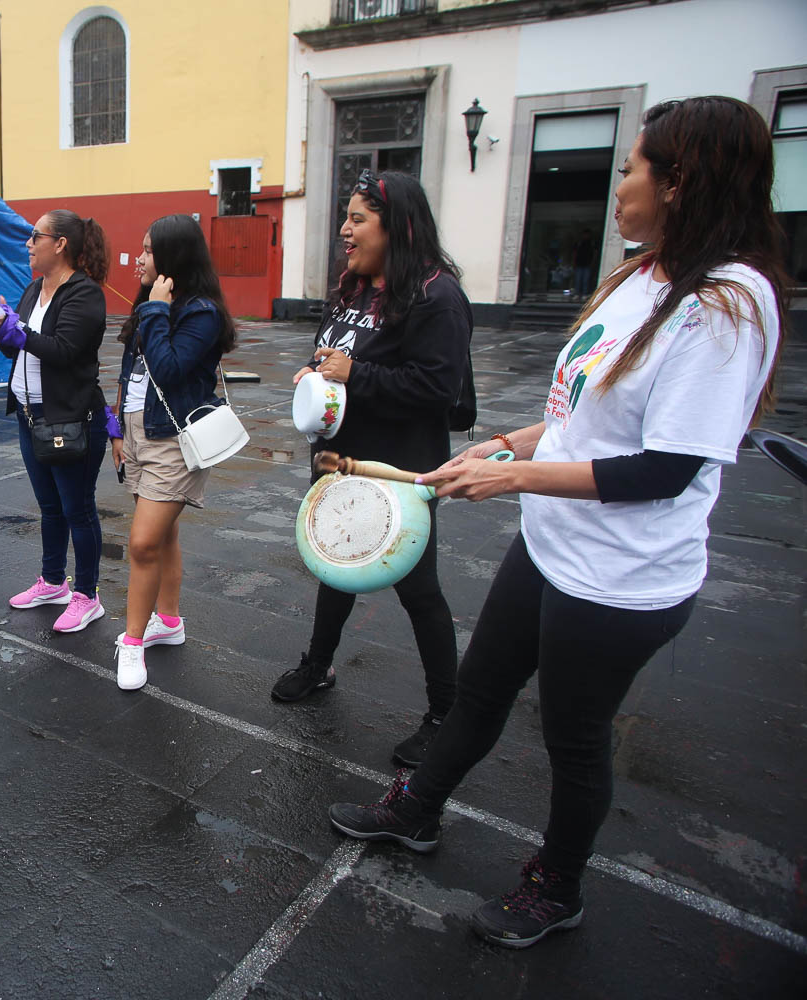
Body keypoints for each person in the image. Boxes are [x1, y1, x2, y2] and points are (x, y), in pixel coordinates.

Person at [328, 97, 785, 949]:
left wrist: (516, 480)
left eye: (632, 168)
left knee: (575, 741)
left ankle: (556, 885)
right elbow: (584, 417)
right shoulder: (645, 274)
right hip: (552, 546)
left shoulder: (725, 305)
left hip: (621, 580)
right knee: (479, 693)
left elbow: (666, 467)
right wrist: (501, 450)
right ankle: (416, 809)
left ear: (680, 182)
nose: (619, 185)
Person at [269, 170, 473, 768]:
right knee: (334, 566)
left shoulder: (438, 296)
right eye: (347, 217)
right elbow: (331, 354)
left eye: (358, 219)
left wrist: (353, 376)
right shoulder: (355, 288)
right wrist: (315, 375)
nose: (345, 230)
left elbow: (438, 389)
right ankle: (318, 664)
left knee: (418, 589)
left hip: (399, 473)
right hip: (340, 460)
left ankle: (444, 711)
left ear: (398, 225)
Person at [112, 215, 237, 690]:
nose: (139, 259)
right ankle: (169, 619)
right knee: (163, 537)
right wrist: (117, 428)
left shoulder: (199, 312)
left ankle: (132, 641)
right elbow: (132, 372)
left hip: (174, 441)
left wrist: (157, 310)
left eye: (148, 251)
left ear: (173, 258)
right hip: (140, 432)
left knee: (142, 543)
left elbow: (167, 370)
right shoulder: (152, 303)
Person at [0, 210, 112, 632]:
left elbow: (65, 350)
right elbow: (18, 350)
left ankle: (87, 595)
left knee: (78, 509)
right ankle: (54, 581)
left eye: (35, 236)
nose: (28, 244)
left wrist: (18, 332)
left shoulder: (85, 293)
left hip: (70, 418)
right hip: (30, 415)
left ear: (59, 244)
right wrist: (7, 333)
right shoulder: (34, 287)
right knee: (50, 506)